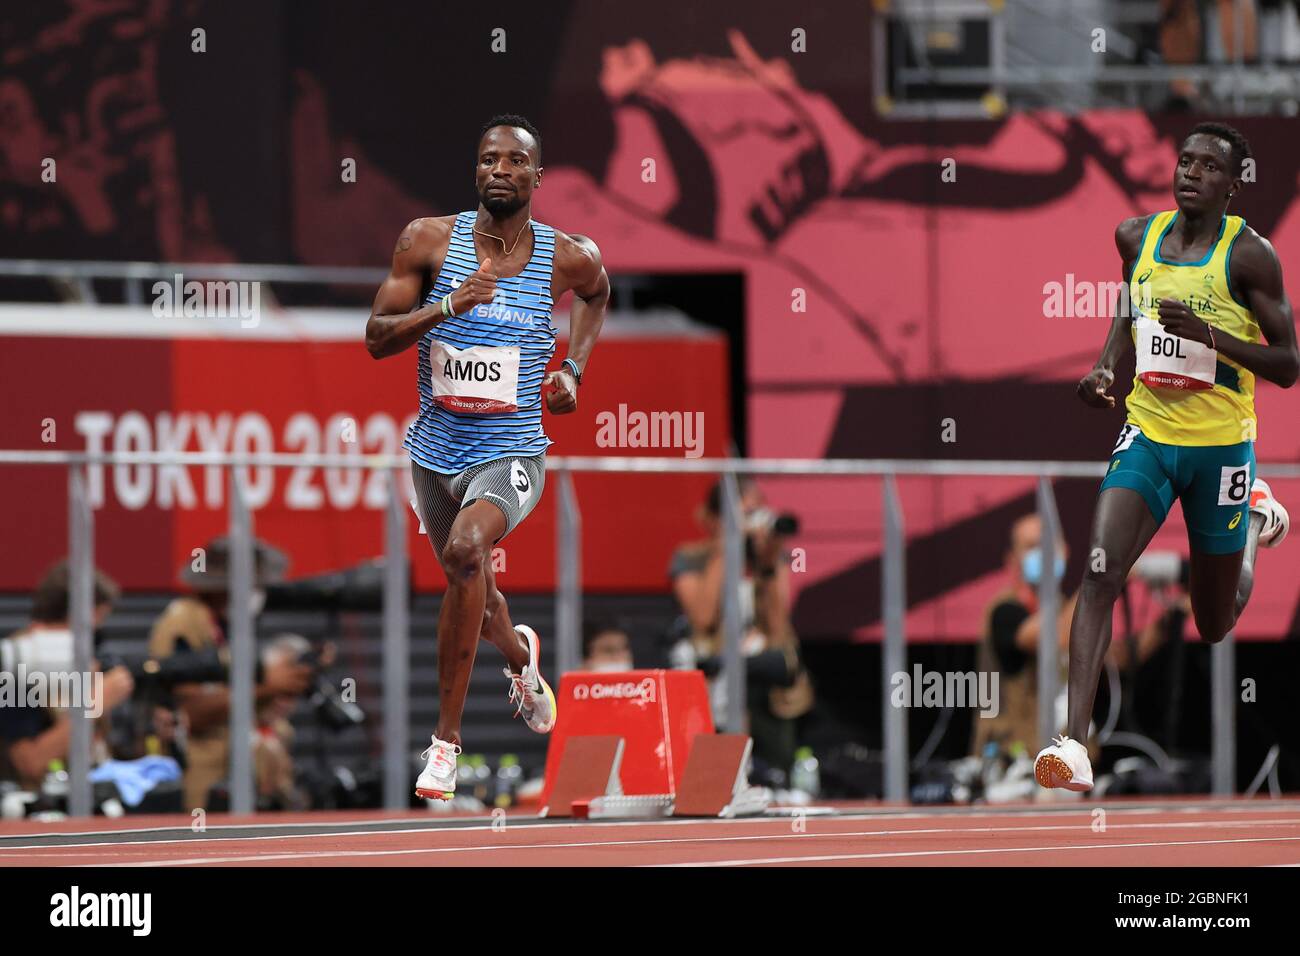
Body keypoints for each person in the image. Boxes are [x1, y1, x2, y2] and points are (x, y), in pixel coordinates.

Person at [1036, 123, 1296, 792]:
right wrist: (1104, 368)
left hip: (1220, 448)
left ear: (1233, 185)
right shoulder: (1136, 237)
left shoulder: (1251, 258)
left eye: (1210, 167)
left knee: (1212, 625)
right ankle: (1072, 743)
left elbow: (1289, 364)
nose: (1191, 174)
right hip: (1149, 432)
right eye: (1185, 161)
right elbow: (1130, 299)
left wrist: (1210, 335)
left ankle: (1254, 526)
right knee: (1099, 575)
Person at [365, 114, 610, 800]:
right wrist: (447, 306)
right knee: (476, 587)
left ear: (537, 176)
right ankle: (522, 660)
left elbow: (597, 294)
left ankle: (444, 744)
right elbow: (377, 338)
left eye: (512, 160)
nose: (497, 169)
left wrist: (575, 370)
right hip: (436, 450)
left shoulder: (568, 256)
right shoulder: (427, 241)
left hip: (512, 448)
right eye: (486, 159)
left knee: (467, 552)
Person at [148, 537, 313, 810]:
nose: (258, 593)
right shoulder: (185, 621)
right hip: (201, 780)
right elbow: (189, 713)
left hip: (237, 774)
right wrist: (267, 687)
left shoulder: (225, 625)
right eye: (253, 585)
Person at [668, 480, 813, 781]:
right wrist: (725, 550)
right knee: (714, 777)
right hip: (713, 679)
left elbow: (777, 624)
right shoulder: (691, 557)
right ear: (718, 518)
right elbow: (703, 617)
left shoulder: (767, 558)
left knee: (775, 775)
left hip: (762, 683)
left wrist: (768, 562)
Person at [0, 562, 133, 788]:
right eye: (98, 621)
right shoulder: (18, 664)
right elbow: (30, 763)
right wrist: (93, 703)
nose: (97, 635)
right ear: (83, 614)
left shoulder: (82, 663)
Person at [972, 514, 1076, 759]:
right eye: (1032, 547)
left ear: (1065, 551)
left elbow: (1116, 659)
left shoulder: (1067, 609)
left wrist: (1166, 622)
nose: (1044, 553)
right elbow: (1052, 638)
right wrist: (1100, 579)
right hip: (1013, 758)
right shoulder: (1004, 610)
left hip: (1065, 759)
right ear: (1012, 560)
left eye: (1049, 545)